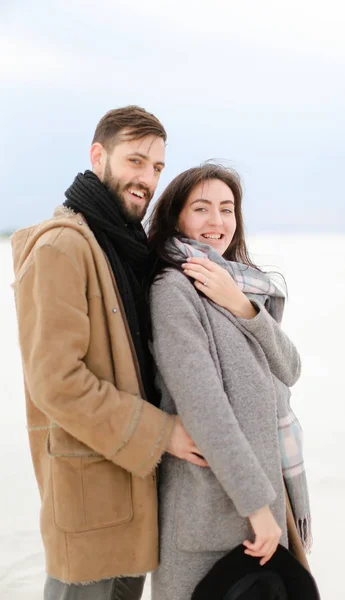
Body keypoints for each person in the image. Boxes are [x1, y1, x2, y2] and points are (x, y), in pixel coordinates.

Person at [11, 106, 207, 600]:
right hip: (90, 506)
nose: (147, 179)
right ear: (98, 156)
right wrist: (164, 433)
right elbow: (56, 382)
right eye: (136, 161)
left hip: (132, 495)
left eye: (157, 168)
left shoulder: (120, 245)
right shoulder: (62, 247)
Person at [147, 164, 312, 600]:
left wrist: (241, 305)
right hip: (211, 521)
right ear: (176, 217)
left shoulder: (240, 288)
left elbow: (291, 368)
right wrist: (258, 509)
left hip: (265, 519)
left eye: (227, 208)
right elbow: (206, 411)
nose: (217, 222)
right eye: (201, 209)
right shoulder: (171, 290)